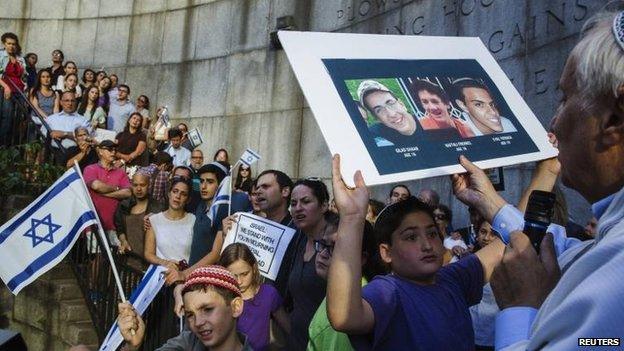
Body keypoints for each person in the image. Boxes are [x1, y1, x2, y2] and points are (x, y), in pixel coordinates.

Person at [327, 154, 506, 350]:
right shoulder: (388, 291)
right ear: (386, 253)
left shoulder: (454, 278)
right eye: (411, 237)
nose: (427, 245)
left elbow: (509, 242)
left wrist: (484, 198)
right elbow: (344, 317)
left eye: (431, 234)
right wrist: (352, 217)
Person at [118, 265, 252, 350]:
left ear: (236, 306)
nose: (198, 322)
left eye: (208, 309)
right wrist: (133, 346)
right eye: (190, 315)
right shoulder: (187, 343)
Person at [307, 215, 380, 351]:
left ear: (361, 257)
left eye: (335, 248)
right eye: (322, 244)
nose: (322, 253)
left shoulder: (352, 304)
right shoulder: (342, 291)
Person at [287, 179, 334, 350]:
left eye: (306, 201)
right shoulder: (297, 241)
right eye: (293, 203)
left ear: (323, 206)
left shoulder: (338, 245)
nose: (298, 208)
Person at [219, 243, 290, 351]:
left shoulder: (268, 294)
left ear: (254, 268)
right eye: (233, 276)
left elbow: (289, 327)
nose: (239, 281)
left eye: (244, 274)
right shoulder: (220, 298)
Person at [83, 140, 132, 247]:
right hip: (95, 224)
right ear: (100, 151)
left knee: (113, 260)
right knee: (97, 260)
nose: (113, 152)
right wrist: (117, 188)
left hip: (114, 225)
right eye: (109, 149)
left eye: (115, 149)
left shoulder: (120, 172)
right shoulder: (90, 169)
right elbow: (96, 186)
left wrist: (105, 193)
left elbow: (128, 192)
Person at [114, 172, 165, 270]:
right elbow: (119, 227)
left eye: (142, 185)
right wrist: (124, 241)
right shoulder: (124, 205)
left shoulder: (157, 207)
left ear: (149, 185)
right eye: (135, 185)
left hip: (147, 263)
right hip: (127, 261)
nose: (138, 189)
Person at [144, 177, 195, 269]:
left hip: (185, 275)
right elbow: (148, 253)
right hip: (161, 275)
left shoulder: (193, 220)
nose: (178, 196)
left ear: (188, 199)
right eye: (175, 191)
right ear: (169, 194)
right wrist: (166, 263)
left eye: (183, 194)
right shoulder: (154, 220)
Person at [357, 80, 418, 146]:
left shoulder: (426, 123)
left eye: (390, 103)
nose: (392, 114)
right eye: (379, 110)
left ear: (401, 104)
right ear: (377, 118)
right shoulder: (374, 134)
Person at [409, 79, 475, 138]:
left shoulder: (466, 128)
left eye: (435, 101)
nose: (432, 107)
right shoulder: (420, 127)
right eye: (425, 102)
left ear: (447, 104)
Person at [452, 78, 517, 136]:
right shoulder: (457, 131)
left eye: (491, 104)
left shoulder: (506, 123)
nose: (493, 112)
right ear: (463, 106)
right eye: (479, 104)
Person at [41, 91, 91, 163]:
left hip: (75, 155)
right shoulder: (51, 119)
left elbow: (87, 138)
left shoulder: (83, 120)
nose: (70, 103)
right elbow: (43, 136)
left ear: (76, 102)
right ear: (61, 102)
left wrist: (65, 134)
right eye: (66, 100)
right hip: (53, 154)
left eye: (72, 101)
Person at [0, 32, 26, 146]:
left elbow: (24, 76)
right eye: (9, 43)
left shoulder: (20, 58)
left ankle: (13, 145)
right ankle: (3, 146)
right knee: (8, 116)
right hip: (6, 91)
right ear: (4, 44)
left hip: (20, 91)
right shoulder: (1, 56)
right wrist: (6, 87)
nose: (11, 46)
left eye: (13, 44)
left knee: (19, 118)